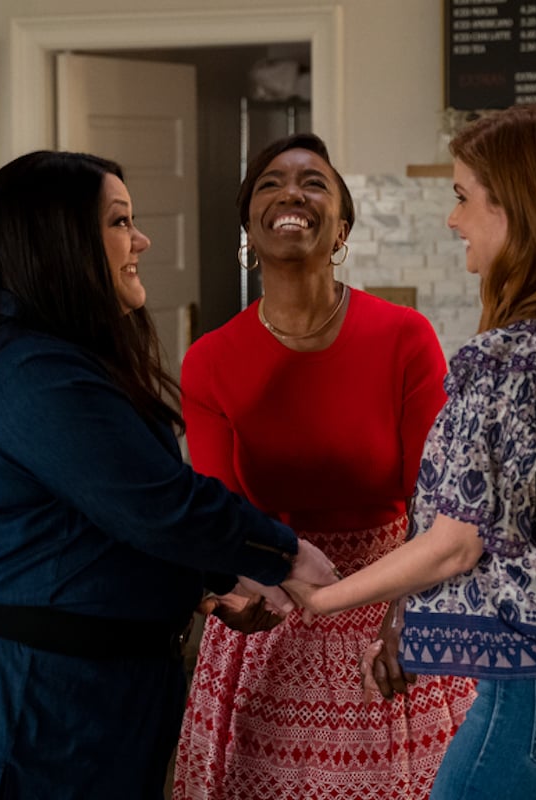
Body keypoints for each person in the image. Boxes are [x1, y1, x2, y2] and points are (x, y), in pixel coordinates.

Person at [0, 150, 338, 800]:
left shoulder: (45, 355)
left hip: (61, 690)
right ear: (57, 244)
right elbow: (158, 504)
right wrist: (285, 554)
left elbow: (82, 518)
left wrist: (212, 578)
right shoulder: (30, 371)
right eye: (120, 222)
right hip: (13, 696)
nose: (140, 239)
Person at [283, 104, 536, 800]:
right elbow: (508, 533)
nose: (453, 219)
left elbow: (456, 543)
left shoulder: (512, 356)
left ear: (516, 210)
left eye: (464, 197)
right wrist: (405, 616)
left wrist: (322, 598)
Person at [172, 133, 476, 800]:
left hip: (392, 614)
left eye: (314, 183)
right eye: (270, 183)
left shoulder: (404, 337)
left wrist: (408, 615)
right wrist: (229, 590)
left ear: (340, 229)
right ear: (250, 226)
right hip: (270, 628)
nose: (291, 193)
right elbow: (222, 513)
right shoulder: (210, 360)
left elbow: (436, 502)